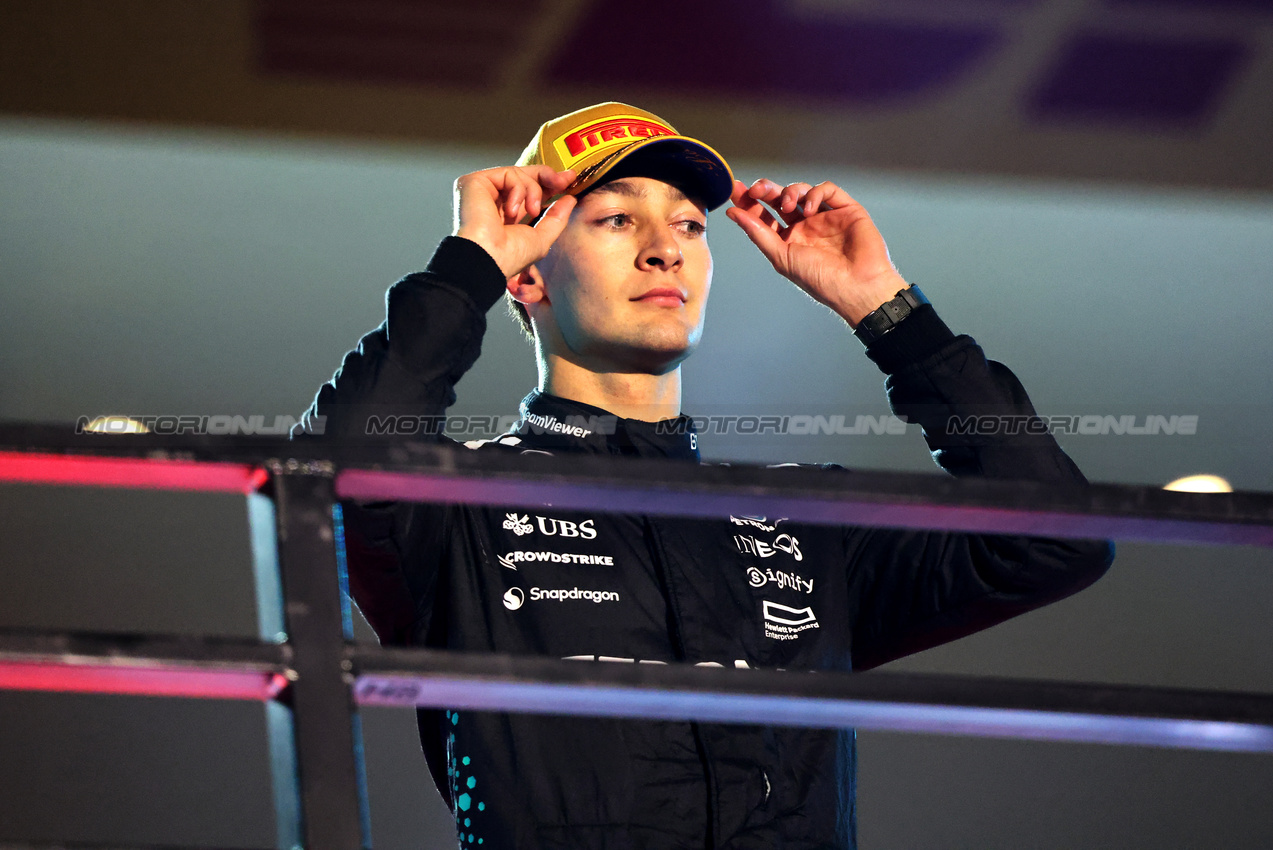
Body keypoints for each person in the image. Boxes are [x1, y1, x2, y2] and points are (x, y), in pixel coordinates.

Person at [295, 102, 1113, 849]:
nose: (664, 248)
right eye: (617, 220)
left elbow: (1051, 541)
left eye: (690, 227)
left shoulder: (800, 517)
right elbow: (331, 468)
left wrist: (887, 309)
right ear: (530, 272)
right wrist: (467, 265)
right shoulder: (455, 506)